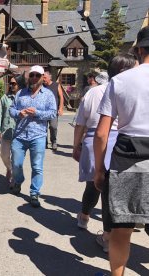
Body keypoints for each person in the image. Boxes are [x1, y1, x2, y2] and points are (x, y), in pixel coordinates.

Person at [94, 26, 149, 276]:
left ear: (138, 50)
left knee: (122, 230)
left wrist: (99, 170)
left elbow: (102, 133)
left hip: (126, 162)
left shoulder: (120, 81)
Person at [72, 54, 136, 253]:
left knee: (95, 184)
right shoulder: (131, 90)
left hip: (95, 139)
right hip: (123, 141)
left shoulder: (93, 92)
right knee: (112, 190)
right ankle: (108, 236)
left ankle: (84, 217)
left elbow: (81, 121)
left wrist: (76, 145)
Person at [9, 65, 56, 207]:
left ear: (42, 78)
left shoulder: (48, 95)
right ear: (29, 77)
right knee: (16, 164)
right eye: (32, 75)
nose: (34, 77)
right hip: (20, 135)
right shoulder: (21, 93)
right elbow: (12, 109)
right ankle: (18, 180)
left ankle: (34, 193)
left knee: (37, 167)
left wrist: (37, 113)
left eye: (37, 75)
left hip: (38, 136)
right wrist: (18, 113)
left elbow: (53, 113)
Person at [0, 76, 22, 186]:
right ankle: (9, 168)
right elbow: (0, 114)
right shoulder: (4, 98)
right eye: (10, 83)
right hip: (6, 131)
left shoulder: (22, 98)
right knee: (4, 155)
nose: (11, 85)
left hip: (18, 133)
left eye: (14, 83)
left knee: (16, 156)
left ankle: (14, 180)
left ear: (19, 85)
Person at [43, 71, 64, 151]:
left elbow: (61, 97)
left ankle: (54, 141)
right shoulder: (41, 86)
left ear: (49, 78)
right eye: (43, 77)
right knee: (43, 127)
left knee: (53, 126)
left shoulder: (56, 85)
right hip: (43, 110)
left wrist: (61, 108)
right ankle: (44, 142)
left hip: (53, 110)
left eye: (45, 77)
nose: (43, 79)